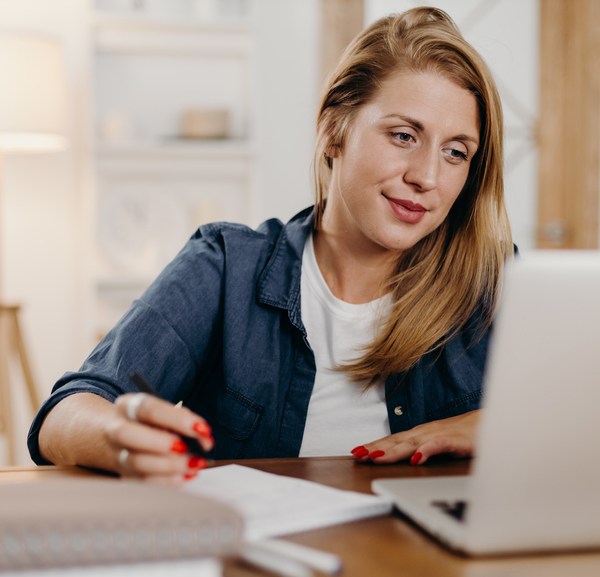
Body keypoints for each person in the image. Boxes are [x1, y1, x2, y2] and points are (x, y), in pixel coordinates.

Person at [28, 6, 513, 483]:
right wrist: (116, 434)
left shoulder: (500, 286)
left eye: (455, 152)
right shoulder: (226, 267)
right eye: (404, 135)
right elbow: (65, 414)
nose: (427, 176)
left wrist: (499, 427)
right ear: (333, 132)